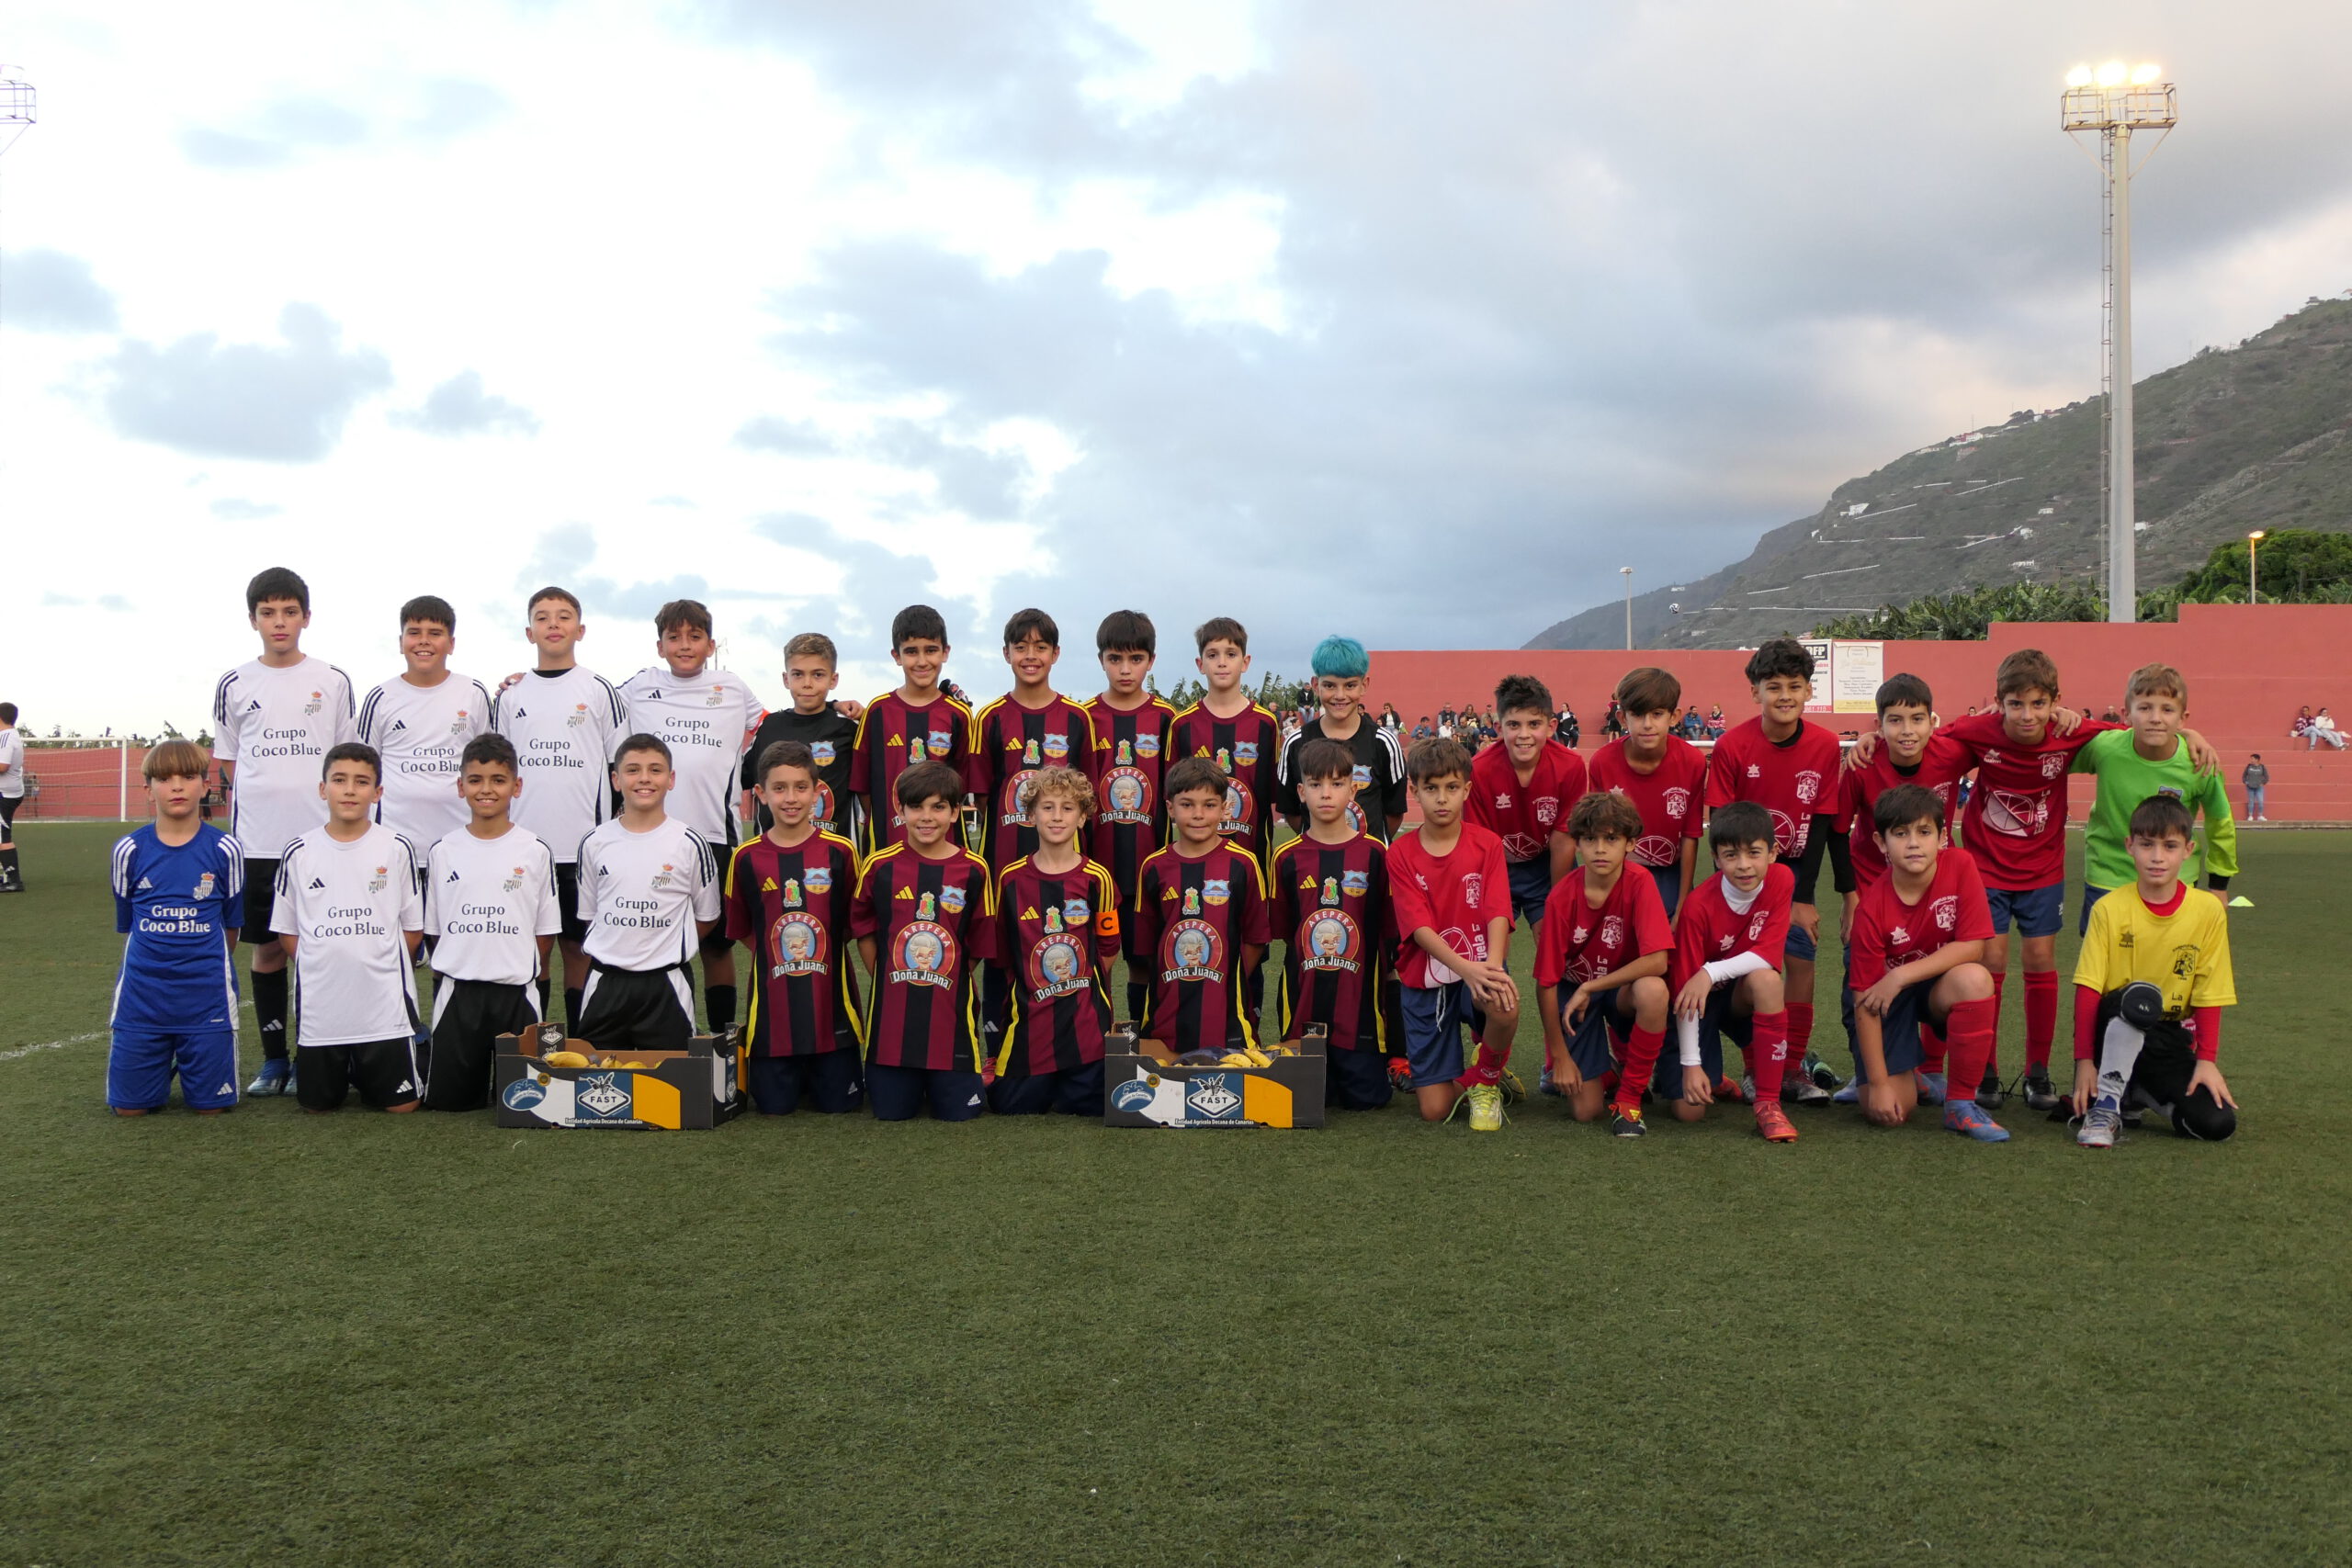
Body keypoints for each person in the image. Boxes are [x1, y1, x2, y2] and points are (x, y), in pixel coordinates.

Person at [1865, 649, 2132, 1113]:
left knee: (2041, 958)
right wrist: (1872, 738)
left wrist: (2187, 735)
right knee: (1988, 961)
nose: (2027, 715)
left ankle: (2037, 1071)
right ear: (1999, 701)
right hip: (1984, 868)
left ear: (2056, 702)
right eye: (2015, 704)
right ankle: (1984, 1071)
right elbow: (1919, 735)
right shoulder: (1976, 730)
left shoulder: (2070, 731)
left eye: (2038, 704)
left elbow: (2132, 735)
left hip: (2043, 869)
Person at [212, 567, 357, 1096]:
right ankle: (275, 1060)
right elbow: (230, 761)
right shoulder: (234, 683)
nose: (279, 622)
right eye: (268, 613)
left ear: (306, 618)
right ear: (253, 620)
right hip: (257, 844)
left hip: (322, 842)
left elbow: (346, 760)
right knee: (269, 949)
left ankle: (313, 1056)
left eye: (289, 612)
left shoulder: (333, 681)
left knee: (320, 949)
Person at [1705, 638, 1842, 1107]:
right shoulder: (1732, 744)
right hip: (1742, 875)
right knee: (1750, 970)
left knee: (1801, 961)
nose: (1785, 696)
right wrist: (1732, 887)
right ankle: (1754, 1064)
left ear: (1809, 691)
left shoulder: (1825, 745)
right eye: (1774, 686)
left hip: (1795, 872)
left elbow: (1821, 822)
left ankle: (1791, 1067)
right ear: (1755, 692)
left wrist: (1803, 897)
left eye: (1795, 686)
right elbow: (1720, 824)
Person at [619, 598, 764, 1036]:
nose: (684, 645)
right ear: (659, 646)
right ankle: (654, 1033)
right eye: (674, 637)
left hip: (714, 838)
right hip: (648, 839)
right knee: (650, 940)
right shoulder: (638, 687)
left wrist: (835, 707)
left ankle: (721, 1037)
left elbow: (778, 722)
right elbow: (590, 705)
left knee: (717, 947)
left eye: (695, 637)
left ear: (710, 645)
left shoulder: (732, 688)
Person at [491, 585, 628, 1033]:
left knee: (578, 949)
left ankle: (580, 1042)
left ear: (580, 630)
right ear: (529, 632)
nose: (554, 624)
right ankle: (533, 1043)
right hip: (524, 850)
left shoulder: (599, 690)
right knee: (532, 949)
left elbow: (621, 766)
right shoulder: (511, 695)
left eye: (564, 616)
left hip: (583, 849)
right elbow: (497, 768)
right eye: (543, 617)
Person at [1831, 672, 1971, 1102]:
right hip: (1873, 893)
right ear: (1879, 725)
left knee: (1950, 975)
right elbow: (1837, 831)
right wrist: (1850, 899)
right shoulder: (1862, 765)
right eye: (1894, 721)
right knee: (1859, 985)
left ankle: (1932, 1071)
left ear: (1932, 721)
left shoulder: (1953, 752)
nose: (1907, 731)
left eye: (1916, 719)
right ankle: (1866, 1072)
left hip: (1933, 890)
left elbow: (1997, 732)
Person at [2069, 795, 2239, 1146]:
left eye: (2170, 846)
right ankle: (2107, 1105)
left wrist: (2206, 1061)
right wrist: (2084, 1062)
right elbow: (2088, 989)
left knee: (2217, 1123)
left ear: (2188, 850)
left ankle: (2139, 1092)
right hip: (2113, 1023)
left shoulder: (2208, 911)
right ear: (2130, 846)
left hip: (2166, 1036)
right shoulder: (2108, 909)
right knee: (2138, 998)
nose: (2157, 857)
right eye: (2147, 844)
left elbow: (2210, 991)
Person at [269, 743, 426, 1112]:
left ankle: (392, 1054)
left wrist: (377, 963)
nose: (350, 790)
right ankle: (348, 1065)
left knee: (402, 1106)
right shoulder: (299, 851)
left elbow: (412, 929)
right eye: (339, 780)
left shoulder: (396, 848)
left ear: (378, 792)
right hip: (323, 1008)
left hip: (383, 1006)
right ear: (322, 788)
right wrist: (322, 962)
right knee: (317, 1106)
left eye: (362, 782)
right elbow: (287, 931)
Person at [1844, 786, 2003, 1142]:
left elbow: (1973, 946)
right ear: (1881, 843)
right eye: (1900, 834)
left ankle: (1960, 1104)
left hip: (1927, 986)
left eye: (1924, 831)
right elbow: (1864, 1004)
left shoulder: (1960, 865)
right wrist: (1880, 1084)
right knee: (1890, 1113)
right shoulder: (1870, 910)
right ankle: (1907, 1076)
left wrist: (1900, 975)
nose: (1914, 843)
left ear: (1943, 837)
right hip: (1882, 1001)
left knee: (1975, 979)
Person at [420, 734, 561, 1111]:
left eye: (498, 780)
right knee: (450, 1105)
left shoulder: (535, 850)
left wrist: (518, 966)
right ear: (461, 786)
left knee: (527, 1104)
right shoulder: (443, 851)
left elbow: (544, 932)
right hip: (459, 994)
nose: (486, 790)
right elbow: (434, 931)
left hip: (517, 994)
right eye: (476, 780)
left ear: (516, 786)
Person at [852, 761, 998, 1122]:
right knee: (891, 1114)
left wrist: (948, 974)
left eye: (938, 807)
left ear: (955, 812)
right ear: (900, 810)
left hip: (950, 1022)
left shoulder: (974, 869)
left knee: (961, 1114)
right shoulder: (879, 866)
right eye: (916, 806)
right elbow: (863, 928)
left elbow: (979, 940)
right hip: (892, 1026)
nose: (927, 817)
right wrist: (885, 973)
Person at [107, 740, 245, 1114]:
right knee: (129, 1110)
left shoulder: (226, 849)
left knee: (210, 1109)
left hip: (206, 996)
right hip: (143, 995)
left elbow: (231, 925)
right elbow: (129, 924)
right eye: (165, 779)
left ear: (205, 785)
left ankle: (195, 1052)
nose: (177, 786)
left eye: (188, 776)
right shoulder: (129, 850)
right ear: (148, 788)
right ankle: (155, 1062)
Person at [1389, 737, 1520, 1131]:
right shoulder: (1400, 853)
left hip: (1479, 967)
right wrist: (1467, 969)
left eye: (1451, 787)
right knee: (1434, 1109)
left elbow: (1498, 911)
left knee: (1503, 1001)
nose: (1442, 799)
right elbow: (1418, 929)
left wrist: (1491, 968)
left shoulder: (1487, 844)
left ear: (1466, 789)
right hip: (1425, 978)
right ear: (1414, 791)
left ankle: (1487, 1080)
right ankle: (1480, 1073)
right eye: (1431, 788)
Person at [726, 740, 862, 1113]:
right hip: (772, 1019)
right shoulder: (746, 857)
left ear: (817, 792)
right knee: (773, 1108)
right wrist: (779, 953)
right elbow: (743, 929)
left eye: (801, 787)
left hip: (832, 1014)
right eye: (779, 788)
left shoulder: (841, 851)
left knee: (841, 1106)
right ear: (760, 794)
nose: (791, 798)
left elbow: (851, 923)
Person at [1532, 791, 1673, 1135]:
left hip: (1617, 990)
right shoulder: (1561, 897)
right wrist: (1560, 1057)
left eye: (1611, 839)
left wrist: (1592, 986)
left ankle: (1630, 1097)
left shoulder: (1640, 882)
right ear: (1577, 843)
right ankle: (1604, 1068)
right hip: (1573, 994)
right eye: (1590, 839)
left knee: (1654, 991)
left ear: (1630, 843)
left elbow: (1658, 961)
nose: (1599, 849)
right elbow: (1546, 983)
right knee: (1586, 1111)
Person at [575, 735, 723, 1055]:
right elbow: (590, 916)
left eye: (655, 770)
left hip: (666, 985)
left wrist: (661, 947)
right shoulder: (594, 842)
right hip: (605, 982)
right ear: (616, 780)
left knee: (672, 1081)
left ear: (671, 779)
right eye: (633, 770)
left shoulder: (690, 843)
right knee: (593, 1079)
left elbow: (707, 917)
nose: (644, 778)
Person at [1269, 738, 1396, 1110]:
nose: (1326, 794)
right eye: (1316, 784)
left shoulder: (1375, 854)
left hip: (1360, 1014)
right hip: (1304, 1005)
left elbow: (1387, 931)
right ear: (1301, 792)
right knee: (1306, 1100)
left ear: (1353, 790)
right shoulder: (1286, 858)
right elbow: (1285, 932)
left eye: (1337, 783)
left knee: (1368, 1101)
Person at [989, 765, 1123, 1114]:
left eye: (1068, 808)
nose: (1057, 816)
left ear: (1082, 818)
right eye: (1047, 807)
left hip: (1085, 1024)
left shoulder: (1097, 877)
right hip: (1031, 1020)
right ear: (1031, 815)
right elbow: (1004, 954)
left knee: (1092, 1105)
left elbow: (1108, 949)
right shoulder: (1010, 879)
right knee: (1009, 1106)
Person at [2073, 663, 2234, 945]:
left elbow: (2220, 824)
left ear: (2182, 719)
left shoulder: (2200, 762)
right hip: (2108, 875)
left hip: (2175, 879)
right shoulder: (2105, 748)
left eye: (2167, 710)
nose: (2156, 718)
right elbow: (2050, 754)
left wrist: (2219, 885)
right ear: (2126, 714)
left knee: (2170, 960)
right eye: (2145, 708)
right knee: (2104, 962)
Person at [1667, 802, 1796, 1141]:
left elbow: (1767, 954)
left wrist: (1710, 972)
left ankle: (1768, 1103)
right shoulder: (1698, 906)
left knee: (1768, 981)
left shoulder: (1782, 879)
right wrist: (1691, 1064)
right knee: (1689, 1112)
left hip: (1737, 995)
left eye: (1754, 853)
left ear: (1773, 853)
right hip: (1698, 1005)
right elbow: (1685, 992)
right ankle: (1710, 1073)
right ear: (1715, 857)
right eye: (1730, 855)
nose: (1743, 865)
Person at [1130, 757, 1272, 1055]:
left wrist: (1224, 975)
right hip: (1166, 1014)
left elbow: (1257, 938)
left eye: (1209, 805)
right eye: (1187, 804)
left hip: (1227, 1016)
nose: (1198, 814)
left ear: (1224, 808)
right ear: (1170, 808)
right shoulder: (1153, 867)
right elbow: (1147, 946)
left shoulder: (1243, 863)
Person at [1083, 610, 1177, 1023]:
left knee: (1145, 960)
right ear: (1101, 660)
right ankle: (1096, 1039)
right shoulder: (1084, 717)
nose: (1125, 669)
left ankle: (1141, 1037)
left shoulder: (1167, 719)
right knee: (1093, 961)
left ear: (1151, 661)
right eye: (1115, 659)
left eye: (1135, 659)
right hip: (1095, 868)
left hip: (1149, 868)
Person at [967, 608, 1100, 874]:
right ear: (1006, 653)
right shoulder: (989, 717)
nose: (1030, 655)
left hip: (1066, 858)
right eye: (1020, 647)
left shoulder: (1078, 717)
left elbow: (1087, 791)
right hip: (1003, 855)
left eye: (1040, 647)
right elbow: (981, 796)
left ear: (1055, 654)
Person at [356, 595, 492, 848]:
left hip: (462, 844)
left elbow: (491, 767)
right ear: (401, 642)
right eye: (414, 632)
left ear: (451, 644)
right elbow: (360, 771)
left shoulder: (473, 693)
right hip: (393, 846)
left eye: (435, 633)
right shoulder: (381, 698)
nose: (424, 641)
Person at [1466, 673, 1587, 938]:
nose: (1524, 735)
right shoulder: (1478, 770)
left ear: (1551, 726)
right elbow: (1480, 844)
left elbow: (1563, 840)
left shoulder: (1570, 766)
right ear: (1499, 728)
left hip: (1546, 864)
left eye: (1534, 724)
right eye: (1514, 724)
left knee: (1554, 941)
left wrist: (1557, 899)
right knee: (1490, 947)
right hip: (1497, 865)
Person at [1587, 667, 1709, 920]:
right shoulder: (1602, 762)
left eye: (1657, 714)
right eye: (1638, 714)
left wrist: (1684, 902)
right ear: (1622, 718)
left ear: (1674, 717)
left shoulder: (1692, 762)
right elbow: (1600, 835)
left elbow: (1690, 836)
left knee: (1674, 935)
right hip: (1620, 871)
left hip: (1671, 871)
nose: (1647, 724)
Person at [850, 604, 972, 855]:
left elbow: (963, 784)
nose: (922, 661)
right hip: (887, 845)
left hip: (945, 847)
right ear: (897, 656)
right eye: (911, 651)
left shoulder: (959, 714)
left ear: (945, 652)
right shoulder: (877, 711)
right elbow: (863, 786)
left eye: (931, 650)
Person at [1170, 616, 1283, 875]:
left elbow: (1272, 795)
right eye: (1212, 655)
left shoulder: (1265, 723)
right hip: (1194, 865)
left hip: (1253, 861)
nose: (1222, 662)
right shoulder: (1182, 724)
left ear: (1245, 662)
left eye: (1231, 654)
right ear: (1200, 664)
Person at [0, 700, 26, 892]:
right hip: (11, 792)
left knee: (3, 837)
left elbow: (3, 766)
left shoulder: (6, 737)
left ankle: (14, 881)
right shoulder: (13, 735)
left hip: (5, 794)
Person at [2242, 752, 2269, 822]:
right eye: (2251, 759)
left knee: (2260, 801)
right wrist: (2245, 782)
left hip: (2259, 787)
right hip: (2250, 787)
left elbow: (2266, 777)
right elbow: (2244, 775)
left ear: (2257, 760)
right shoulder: (2249, 767)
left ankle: (2260, 816)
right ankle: (2250, 816)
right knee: (2251, 801)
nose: (2251, 760)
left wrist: (2263, 783)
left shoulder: (2262, 767)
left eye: (2253, 759)